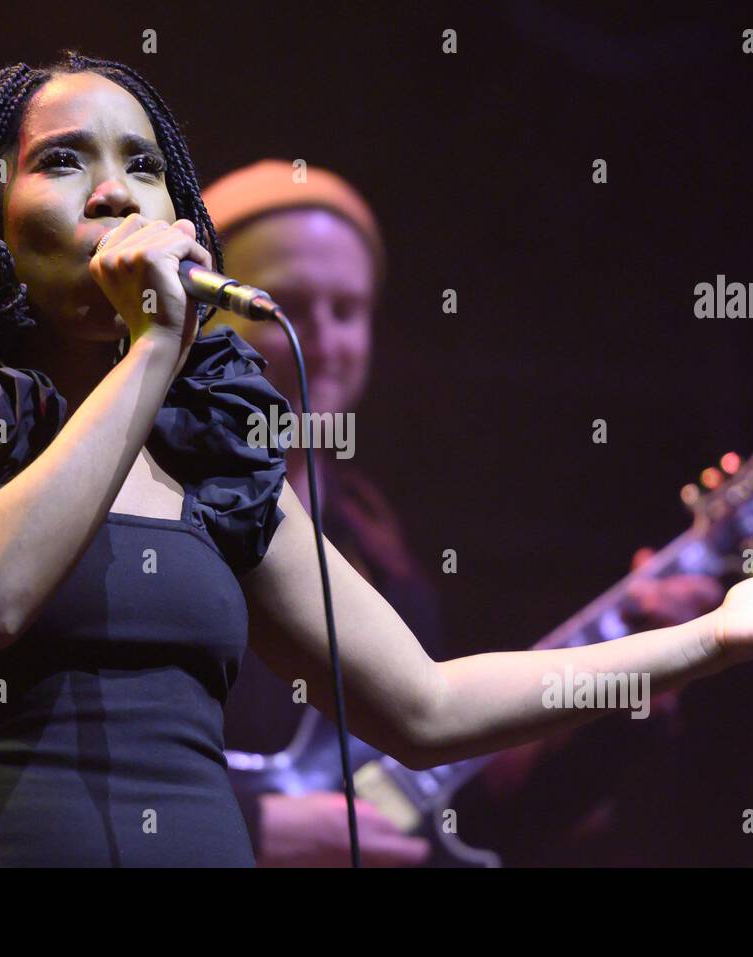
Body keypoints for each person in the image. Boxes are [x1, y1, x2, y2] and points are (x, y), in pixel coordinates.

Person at [0, 53, 753, 868]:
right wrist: (158, 347)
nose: (116, 189)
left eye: (143, 161)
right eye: (62, 160)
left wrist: (711, 639)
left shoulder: (207, 460)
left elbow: (425, 705)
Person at [202, 160, 722, 866]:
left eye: (347, 310)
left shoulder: (382, 558)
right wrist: (253, 825)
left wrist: (637, 687)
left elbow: (469, 814)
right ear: (203, 321)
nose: (321, 338)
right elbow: (51, 754)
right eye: (285, 304)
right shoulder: (151, 510)